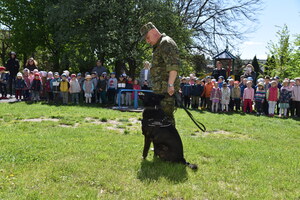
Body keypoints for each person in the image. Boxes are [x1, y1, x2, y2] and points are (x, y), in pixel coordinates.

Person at [140, 22, 180, 125]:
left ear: (153, 32)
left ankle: (170, 141)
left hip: (166, 93)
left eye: (147, 37)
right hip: (160, 92)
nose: (147, 41)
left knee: (167, 123)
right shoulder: (159, 45)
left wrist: (170, 84)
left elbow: (173, 66)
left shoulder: (166, 43)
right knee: (160, 123)